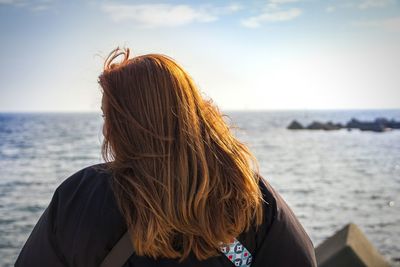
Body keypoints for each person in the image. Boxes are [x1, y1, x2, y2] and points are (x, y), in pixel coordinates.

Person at [15, 47, 317, 267]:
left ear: (126, 126)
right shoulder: (250, 198)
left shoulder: (79, 197)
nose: (106, 130)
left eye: (110, 117)